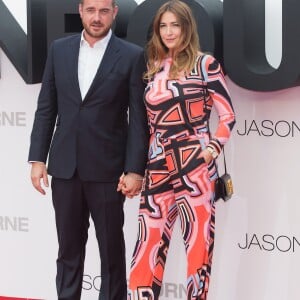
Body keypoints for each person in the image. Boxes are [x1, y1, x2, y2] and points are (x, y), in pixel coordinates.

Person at [28, 0, 149, 299]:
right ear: (80, 10)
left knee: (110, 252)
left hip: (109, 170)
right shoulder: (59, 49)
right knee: (68, 249)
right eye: (91, 10)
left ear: (114, 13)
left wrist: (135, 169)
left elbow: (138, 119)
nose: (97, 18)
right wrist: (37, 158)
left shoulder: (132, 56)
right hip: (65, 167)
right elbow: (47, 107)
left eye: (104, 11)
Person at [124, 1, 236, 299]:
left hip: (195, 169)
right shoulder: (152, 68)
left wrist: (211, 150)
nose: (169, 31)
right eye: (163, 26)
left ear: (187, 28)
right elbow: (147, 126)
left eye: (175, 25)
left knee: (197, 250)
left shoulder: (206, 64)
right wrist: (139, 168)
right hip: (158, 167)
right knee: (146, 246)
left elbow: (228, 115)